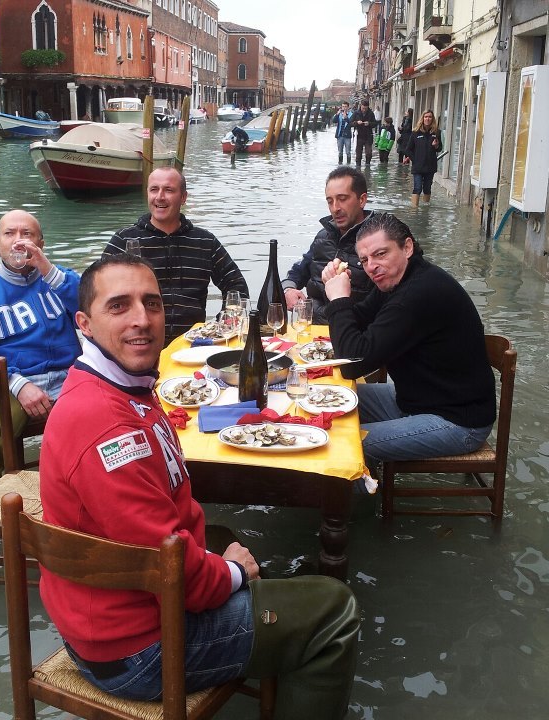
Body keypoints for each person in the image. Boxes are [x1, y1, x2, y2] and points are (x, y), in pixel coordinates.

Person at [38, 254, 360, 719]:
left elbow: (159, 535)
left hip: (106, 613)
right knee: (335, 609)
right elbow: (171, 565)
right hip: (136, 650)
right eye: (119, 306)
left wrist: (221, 559)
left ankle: (270, 635)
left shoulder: (120, 387)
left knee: (226, 537)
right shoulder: (106, 430)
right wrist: (229, 574)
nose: (142, 320)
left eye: (152, 303)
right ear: (84, 324)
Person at [322, 212, 495, 462]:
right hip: (415, 399)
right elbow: (359, 319)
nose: (371, 266)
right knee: (323, 399)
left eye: (381, 254)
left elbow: (353, 363)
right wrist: (339, 289)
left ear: (407, 247)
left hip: (458, 422)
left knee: (344, 445)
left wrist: (339, 300)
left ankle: (358, 497)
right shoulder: (396, 281)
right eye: (364, 260)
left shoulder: (417, 295)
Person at [0, 210, 82, 504]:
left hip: (71, 375)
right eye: (9, 234)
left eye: (27, 234)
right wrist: (19, 384)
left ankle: (94, 493)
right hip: (14, 382)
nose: (18, 241)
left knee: (107, 414)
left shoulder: (60, 279)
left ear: (41, 242)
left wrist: (48, 272)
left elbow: (92, 315)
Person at [103, 167, 249, 342]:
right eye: (154, 189)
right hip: (138, 341)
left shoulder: (205, 241)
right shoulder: (124, 239)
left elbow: (235, 285)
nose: (160, 197)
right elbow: (98, 290)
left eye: (169, 190)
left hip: (191, 343)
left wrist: (221, 326)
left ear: (183, 197)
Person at [282, 166, 374, 323]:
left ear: (362, 200)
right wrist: (288, 289)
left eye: (342, 199)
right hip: (312, 331)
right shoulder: (323, 237)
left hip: (354, 333)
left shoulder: (379, 240)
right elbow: (299, 270)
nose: (335, 208)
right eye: (330, 201)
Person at [401, 109, 443, 207]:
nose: (427, 119)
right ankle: (414, 209)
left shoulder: (437, 132)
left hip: (430, 166)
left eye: (430, 117)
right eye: (426, 117)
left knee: (427, 188)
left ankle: (425, 208)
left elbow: (440, 148)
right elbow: (408, 149)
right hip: (418, 167)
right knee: (417, 188)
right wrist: (415, 160)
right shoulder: (415, 132)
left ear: (432, 119)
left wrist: (436, 146)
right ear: (422, 118)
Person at [352, 99, 377, 167]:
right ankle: (358, 167)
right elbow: (350, 123)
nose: (364, 110)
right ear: (361, 106)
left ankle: (367, 165)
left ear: (368, 107)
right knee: (358, 154)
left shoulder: (371, 113)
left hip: (368, 136)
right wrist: (356, 122)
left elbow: (375, 123)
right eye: (363, 108)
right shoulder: (356, 113)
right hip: (358, 136)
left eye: (366, 108)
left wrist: (369, 123)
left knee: (369, 153)